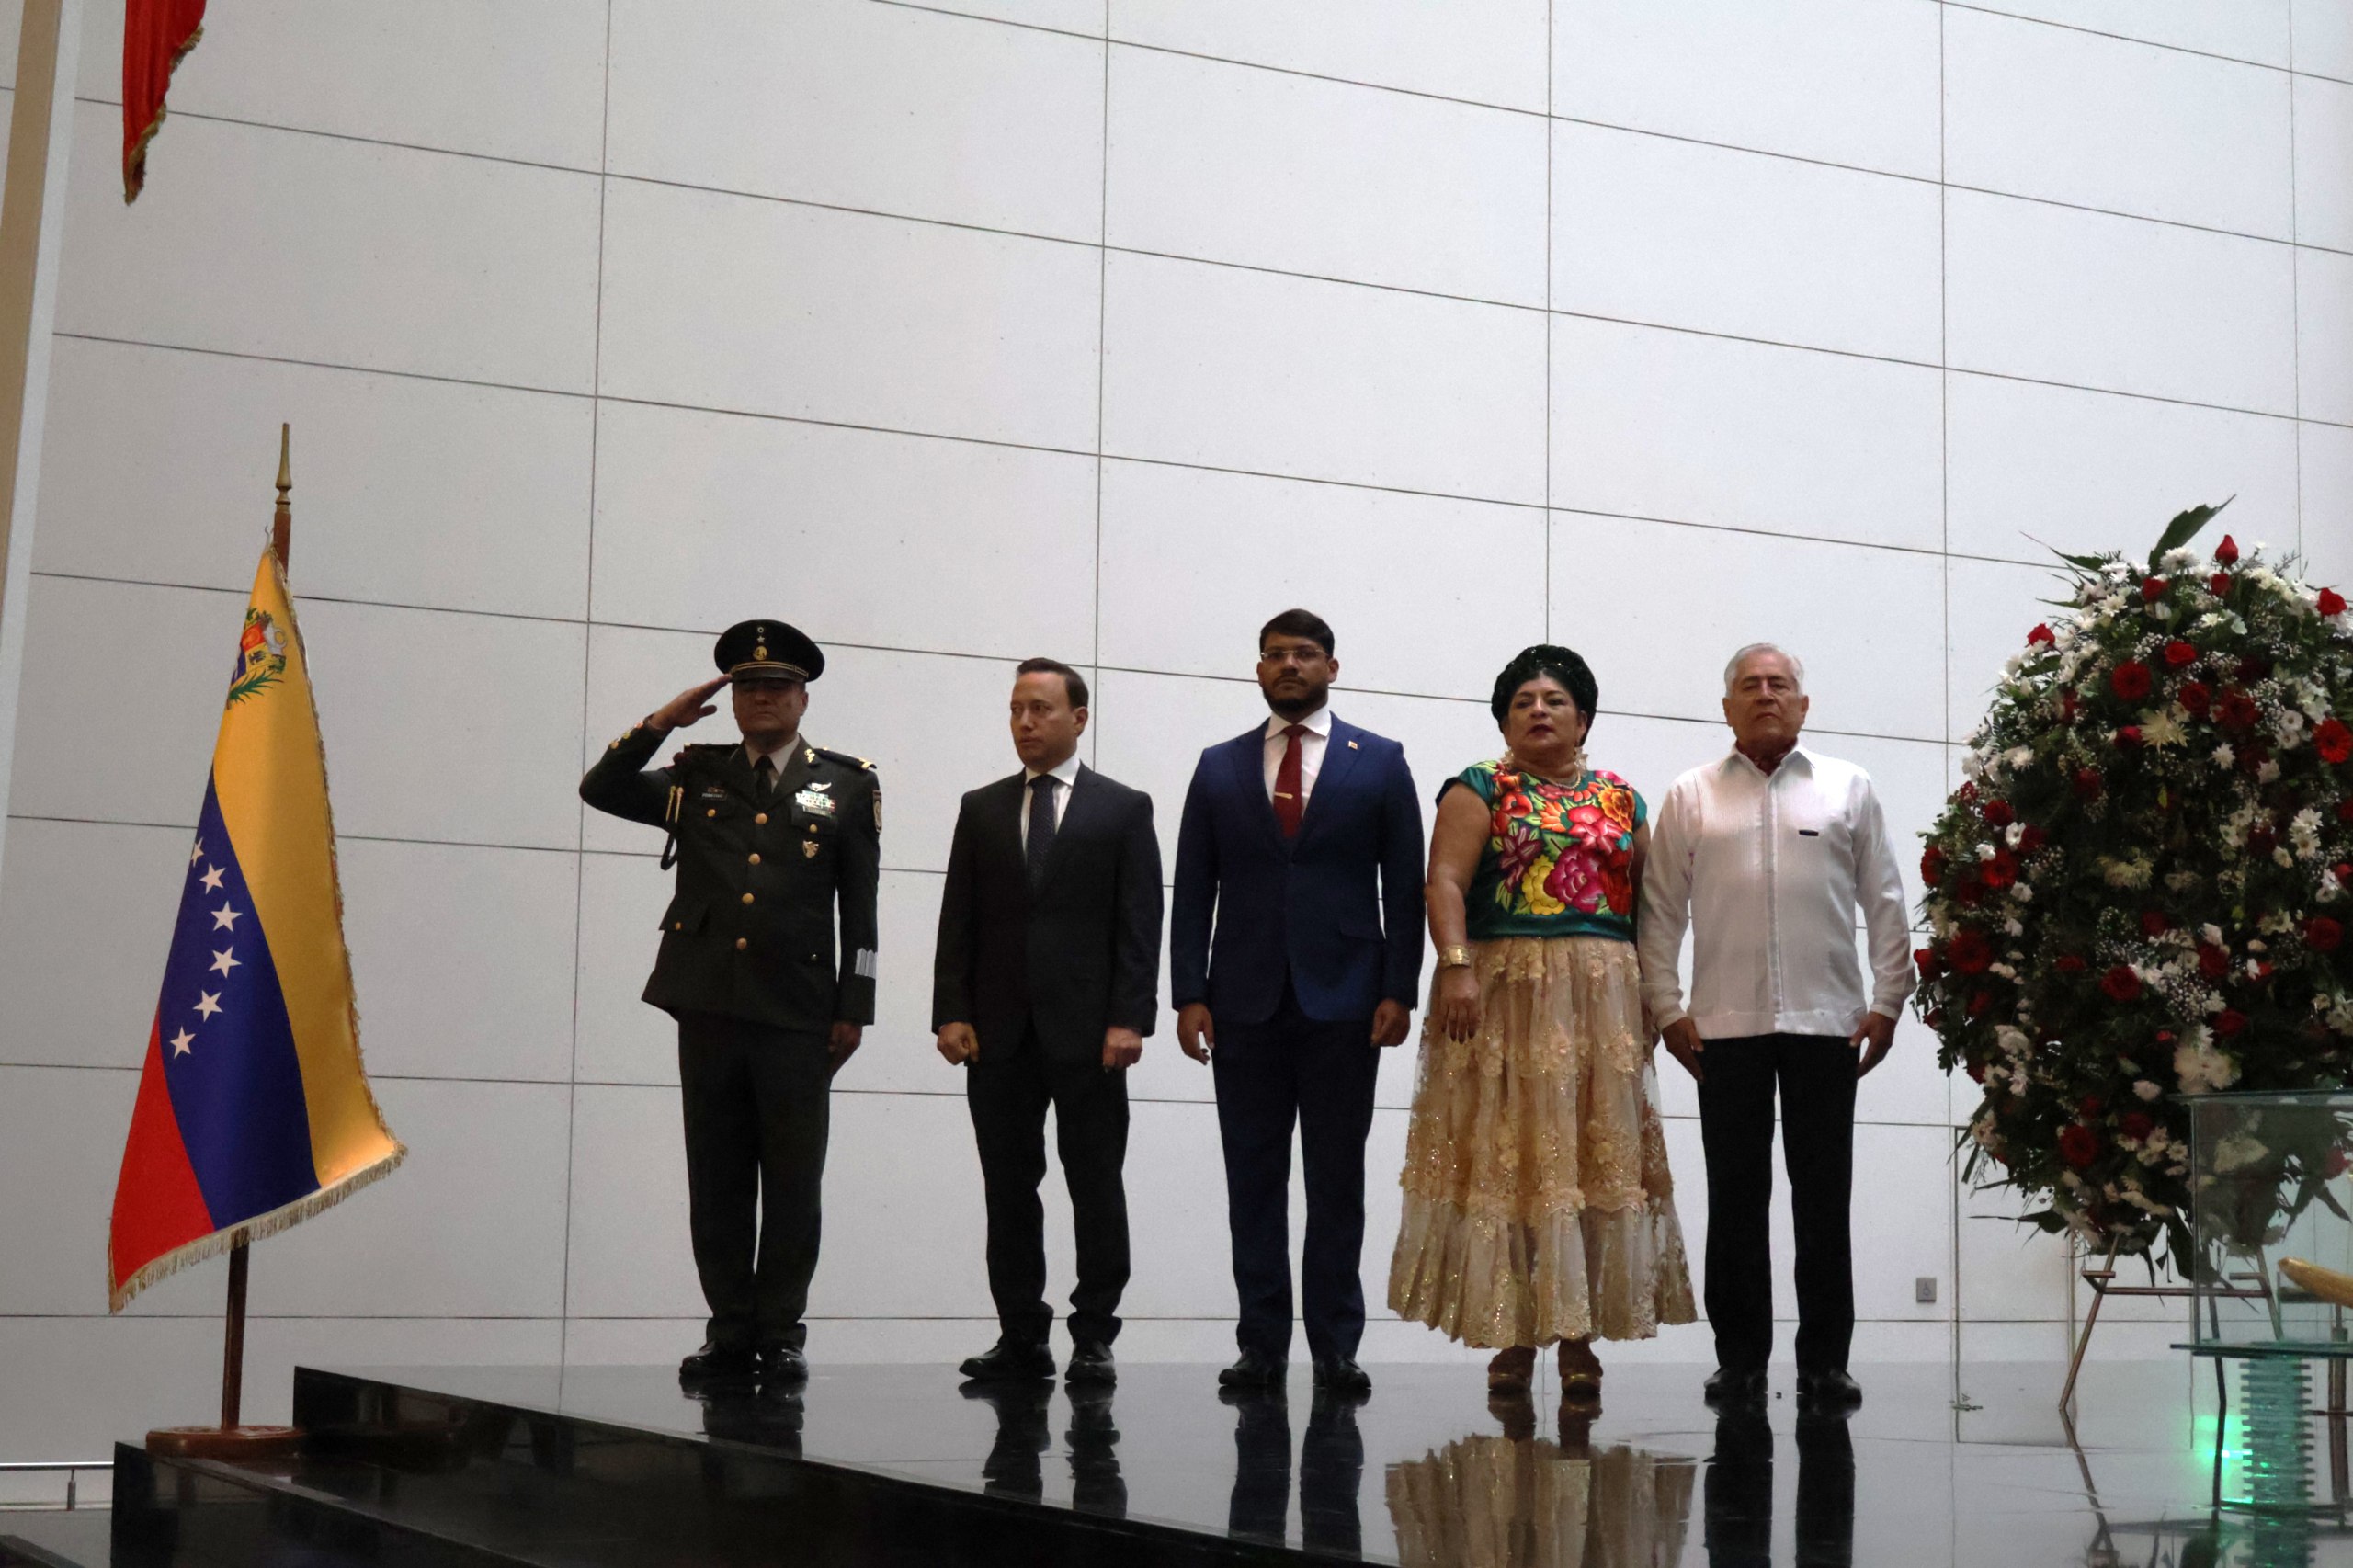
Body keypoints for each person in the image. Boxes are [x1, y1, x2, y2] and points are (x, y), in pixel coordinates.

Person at [1389, 644, 1695, 1402]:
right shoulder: (1478, 788)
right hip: (1502, 992)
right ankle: (1515, 1337)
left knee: (1592, 1161)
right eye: (1523, 700)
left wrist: (1661, 999)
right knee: (1515, 1156)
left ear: (1583, 717)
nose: (1538, 710)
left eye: (1554, 700)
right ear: (1503, 719)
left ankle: (1579, 1337)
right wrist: (1455, 963)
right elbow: (1445, 882)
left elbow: (1654, 909)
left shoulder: (1623, 799)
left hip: (1604, 1000)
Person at [578, 619, 879, 1390]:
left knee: (790, 1179)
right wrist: (659, 723)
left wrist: (855, 1008)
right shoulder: (696, 775)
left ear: (803, 697)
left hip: (799, 1010)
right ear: (732, 700)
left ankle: (779, 1332)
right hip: (707, 1002)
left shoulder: (846, 785)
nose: (762, 698)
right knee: (715, 1177)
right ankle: (727, 1329)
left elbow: (862, 911)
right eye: (747, 688)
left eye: (776, 686)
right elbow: (600, 789)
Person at [1637, 642, 1913, 1413]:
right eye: (1750, 686)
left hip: (1829, 1025)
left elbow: (1886, 900)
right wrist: (1667, 1007)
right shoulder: (1691, 796)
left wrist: (1889, 1000)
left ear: (1803, 703)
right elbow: (1658, 912)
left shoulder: (1847, 788)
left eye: (1779, 684)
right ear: (1726, 706)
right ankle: (1740, 1363)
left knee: (1824, 1199)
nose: (1765, 695)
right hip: (1723, 1028)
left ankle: (1826, 1363)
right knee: (1736, 1199)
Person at [1171, 608, 1424, 1397]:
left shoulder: (1379, 762)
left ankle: (1336, 1348)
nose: (1289, 666)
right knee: (1252, 1177)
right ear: (1258, 670)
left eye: (1304, 654)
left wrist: (1398, 989)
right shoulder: (1218, 767)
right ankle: (1261, 1345)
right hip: (1241, 1000)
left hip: (1346, 1000)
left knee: (1335, 1179)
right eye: (1275, 655)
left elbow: (1404, 887)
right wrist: (1187, 993)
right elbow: (1193, 891)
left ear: (1333, 668)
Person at [933, 658, 1164, 1385]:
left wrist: (1131, 1019)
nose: (1025, 723)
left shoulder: (1122, 809)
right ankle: (1021, 1333)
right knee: (1008, 1186)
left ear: (1078, 719)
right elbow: (957, 921)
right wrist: (949, 1011)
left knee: (1095, 1182)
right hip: (997, 1034)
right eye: (1015, 710)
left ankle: (1094, 1333)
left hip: (1091, 1034)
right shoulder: (982, 807)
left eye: (1040, 710)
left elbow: (1138, 923)